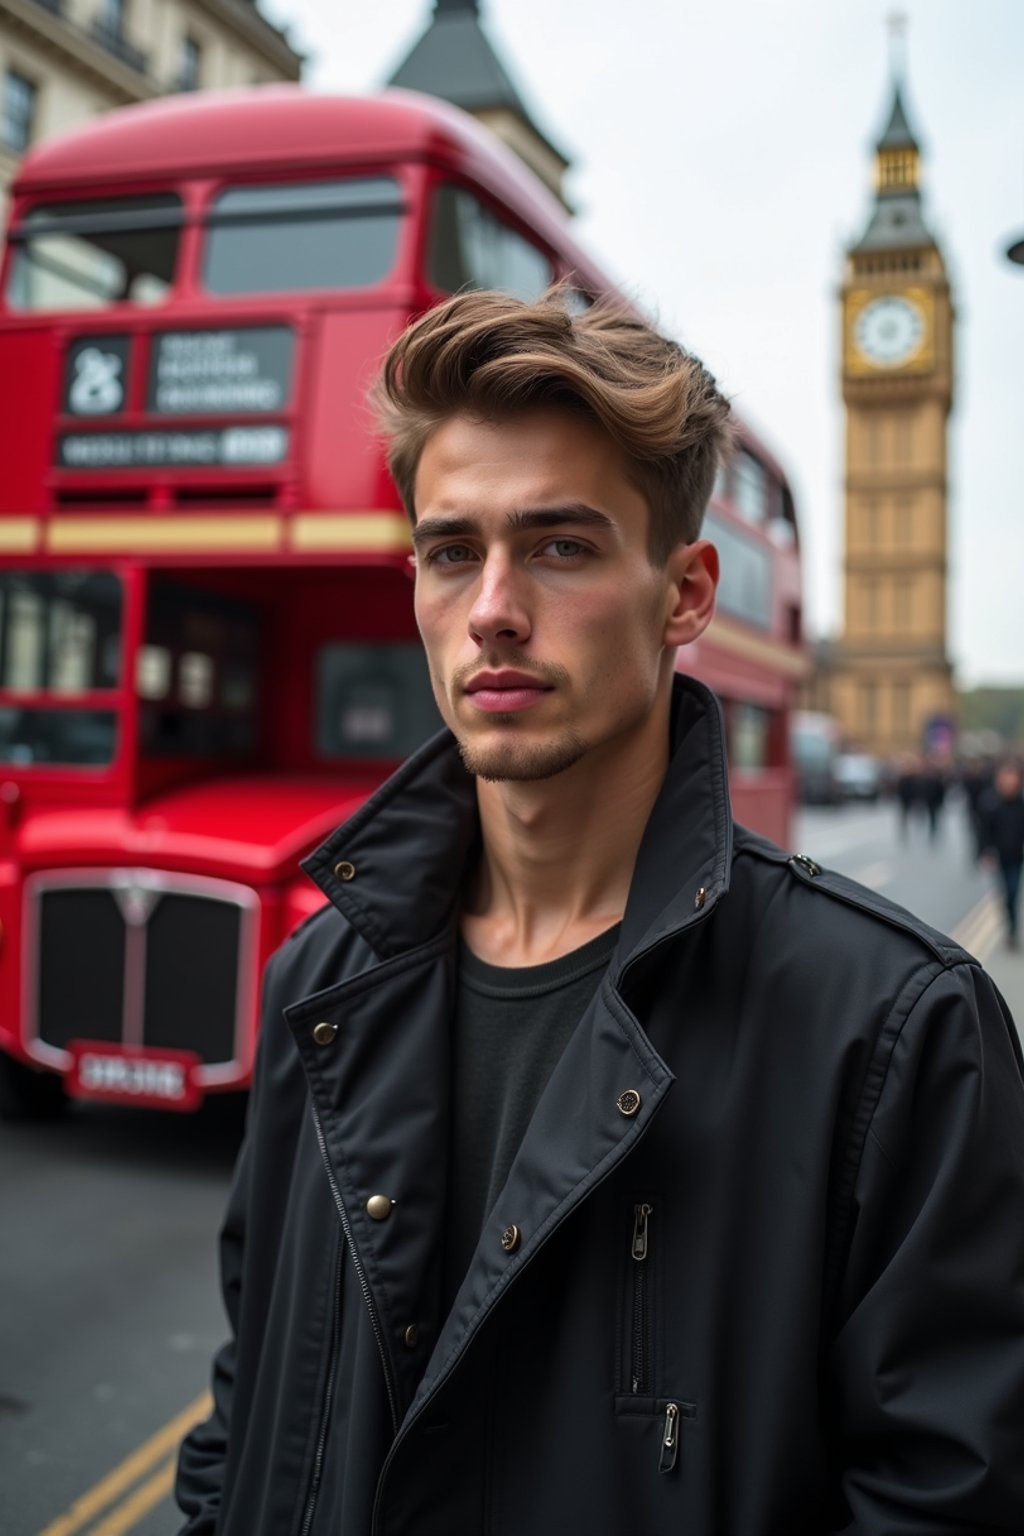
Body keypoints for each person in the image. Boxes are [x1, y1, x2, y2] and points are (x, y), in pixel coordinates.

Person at [176, 288, 1024, 1536]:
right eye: (451, 550)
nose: (492, 609)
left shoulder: (896, 1035)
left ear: (684, 595)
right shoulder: (318, 979)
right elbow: (245, 1420)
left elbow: (943, 1500)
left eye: (560, 546)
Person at [979, 758, 1024, 949]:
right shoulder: (990, 802)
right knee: (1007, 893)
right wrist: (985, 852)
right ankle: (1010, 929)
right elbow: (983, 831)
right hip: (1000, 855)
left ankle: (1012, 929)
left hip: (1017, 855)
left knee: (1013, 892)